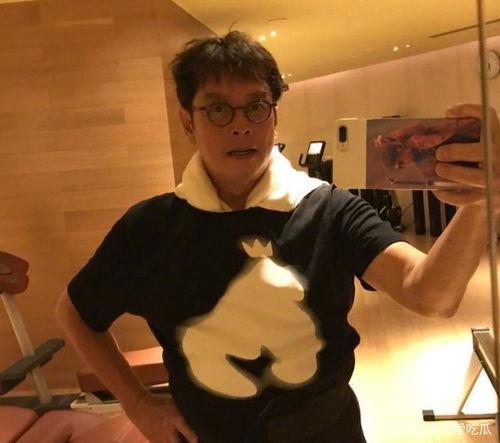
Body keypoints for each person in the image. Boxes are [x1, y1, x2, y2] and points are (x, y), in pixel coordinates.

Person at [55, 31, 500, 443]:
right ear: (188, 122)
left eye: (256, 106)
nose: (241, 125)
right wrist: (138, 404)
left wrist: (482, 201)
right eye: (217, 109)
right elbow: (76, 313)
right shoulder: (150, 227)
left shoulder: (329, 209)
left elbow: (430, 296)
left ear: (273, 115)